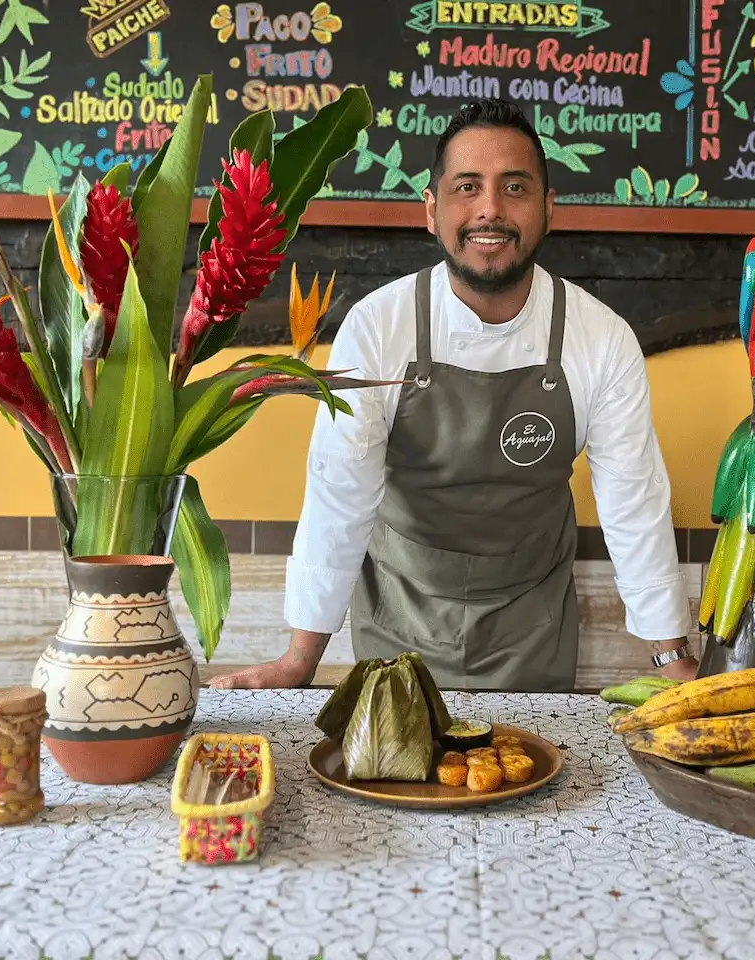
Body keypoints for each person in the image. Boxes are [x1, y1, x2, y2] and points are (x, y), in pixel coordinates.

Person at [211, 97, 696, 692]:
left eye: (514, 188)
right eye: (468, 187)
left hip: (531, 625)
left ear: (548, 210)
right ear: (432, 209)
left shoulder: (601, 338)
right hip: (399, 616)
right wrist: (298, 660)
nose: (489, 209)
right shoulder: (377, 327)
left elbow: (633, 500)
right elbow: (340, 492)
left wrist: (671, 659)